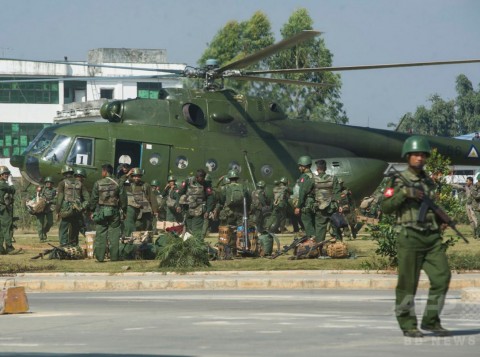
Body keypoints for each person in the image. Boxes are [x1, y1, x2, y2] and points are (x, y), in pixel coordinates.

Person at [381, 135, 452, 338]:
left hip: (431, 238)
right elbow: (385, 207)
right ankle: (408, 324)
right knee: (407, 283)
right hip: (409, 236)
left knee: (442, 277)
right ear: (407, 156)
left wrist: (442, 220)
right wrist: (405, 194)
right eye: (415, 155)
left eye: (423, 155)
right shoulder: (397, 180)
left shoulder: (428, 182)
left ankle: (431, 320)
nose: (420, 158)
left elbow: (430, 208)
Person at [89, 164, 127, 262]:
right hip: (114, 211)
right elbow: (123, 199)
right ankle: (114, 257)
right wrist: (124, 210)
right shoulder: (118, 183)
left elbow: (94, 199)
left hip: (101, 211)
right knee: (114, 235)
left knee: (101, 234)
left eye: (102, 171)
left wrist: (92, 210)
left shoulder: (98, 183)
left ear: (105, 171)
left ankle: (100, 258)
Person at [55, 165, 90, 246]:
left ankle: (63, 245)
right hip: (77, 210)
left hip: (66, 210)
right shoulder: (80, 183)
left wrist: (57, 211)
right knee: (75, 227)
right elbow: (87, 199)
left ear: (63, 173)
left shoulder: (62, 183)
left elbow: (59, 199)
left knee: (63, 228)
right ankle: (74, 244)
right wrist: (81, 207)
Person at [177, 169, 215, 239]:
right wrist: (178, 205)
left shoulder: (206, 184)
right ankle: (189, 246)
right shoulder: (188, 181)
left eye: (203, 179)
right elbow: (180, 193)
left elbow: (210, 198)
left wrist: (208, 211)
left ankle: (196, 246)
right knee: (188, 230)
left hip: (199, 210)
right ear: (196, 177)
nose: (202, 181)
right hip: (188, 210)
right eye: (200, 179)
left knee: (196, 230)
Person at [123, 168, 159, 236]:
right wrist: (127, 175)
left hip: (144, 207)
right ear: (132, 176)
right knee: (131, 225)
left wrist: (155, 210)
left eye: (138, 176)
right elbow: (120, 182)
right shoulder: (127, 184)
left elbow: (152, 198)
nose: (136, 178)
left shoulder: (146, 185)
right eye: (135, 176)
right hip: (131, 207)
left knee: (145, 226)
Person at [312, 159, 341, 242]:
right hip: (331, 206)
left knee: (320, 227)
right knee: (335, 225)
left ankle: (319, 247)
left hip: (319, 206)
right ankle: (339, 244)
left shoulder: (313, 179)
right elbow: (337, 192)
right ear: (325, 168)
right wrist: (339, 205)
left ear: (317, 169)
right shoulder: (333, 178)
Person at [294, 155, 316, 238]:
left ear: (304, 166)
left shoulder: (304, 177)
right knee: (313, 223)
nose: (299, 168)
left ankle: (312, 241)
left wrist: (298, 206)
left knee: (306, 222)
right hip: (313, 203)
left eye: (300, 166)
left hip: (307, 203)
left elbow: (302, 192)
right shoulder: (313, 176)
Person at [34, 176, 57, 242]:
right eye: (47, 182)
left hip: (49, 208)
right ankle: (41, 238)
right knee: (40, 223)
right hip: (40, 208)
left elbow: (56, 200)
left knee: (50, 222)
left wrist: (50, 201)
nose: (48, 184)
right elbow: (36, 196)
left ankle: (44, 231)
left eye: (50, 183)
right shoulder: (41, 189)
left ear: (52, 184)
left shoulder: (54, 191)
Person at [0, 166, 16, 254]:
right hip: (3, 209)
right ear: (0, 175)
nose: (6, 175)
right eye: (4, 174)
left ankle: (0, 249)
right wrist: (10, 181)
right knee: (8, 227)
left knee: (1, 229)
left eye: (7, 174)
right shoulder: (2, 184)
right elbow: (13, 190)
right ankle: (9, 247)